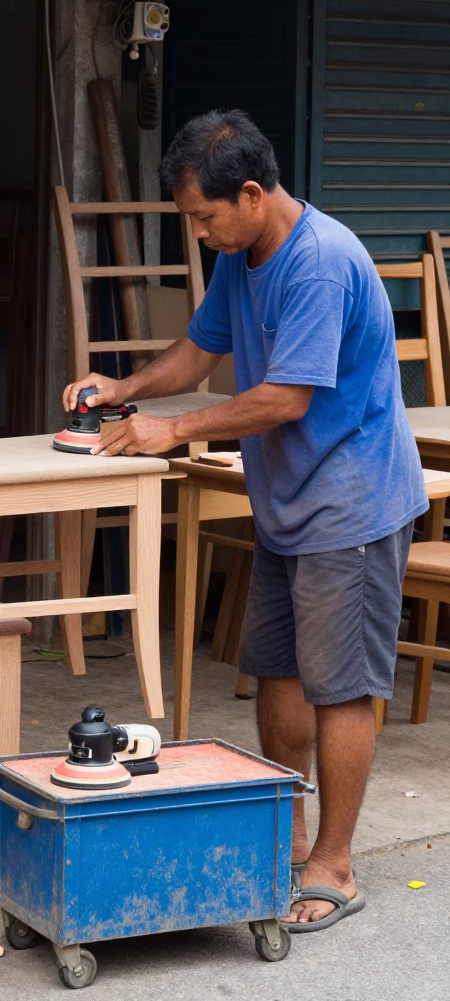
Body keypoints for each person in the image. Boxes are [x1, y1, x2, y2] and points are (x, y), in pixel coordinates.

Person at [63, 109, 427, 933]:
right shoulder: (244, 252)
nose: (198, 233)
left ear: (254, 194)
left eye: (204, 216)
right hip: (289, 503)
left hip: (353, 504)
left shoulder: (319, 264)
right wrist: (123, 389)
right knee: (277, 671)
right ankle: (288, 834)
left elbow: (285, 397)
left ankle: (334, 864)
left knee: (342, 688)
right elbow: (199, 352)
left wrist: (174, 429)